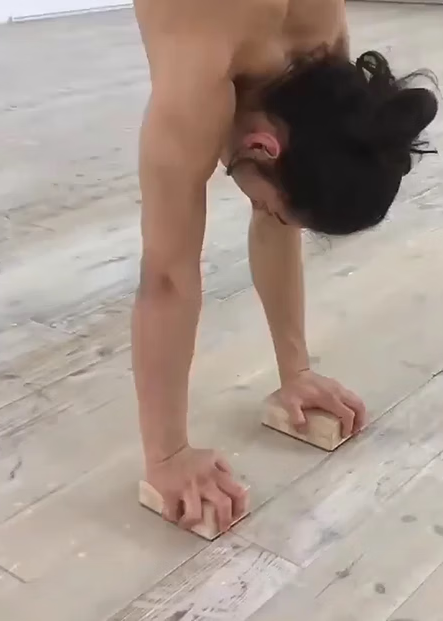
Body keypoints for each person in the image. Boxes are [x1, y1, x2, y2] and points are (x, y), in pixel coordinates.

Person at [131, 0, 438, 533]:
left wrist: (295, 371)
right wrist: (168, 456)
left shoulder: (324, 52)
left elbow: (284, 210)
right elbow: (167, 277)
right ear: (261, 145)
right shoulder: (199, 72)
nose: (270, 215)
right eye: (271, 207)